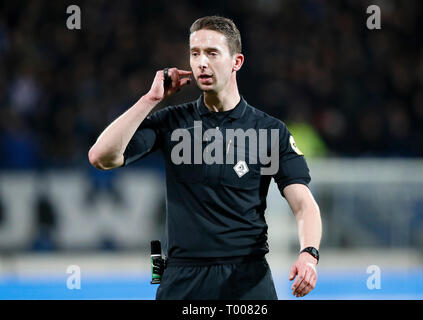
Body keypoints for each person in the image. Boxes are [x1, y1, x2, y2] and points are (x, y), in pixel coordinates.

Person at [88, 16, 322, 300]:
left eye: (212, 53)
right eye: (195, 53)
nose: (201, 62)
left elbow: (303, 204)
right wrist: (151, 99)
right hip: (183, 279)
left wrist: (309, 254)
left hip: (246, 280)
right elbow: (102, 157)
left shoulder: (269, 132)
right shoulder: (172, 123)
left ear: (236, 62)